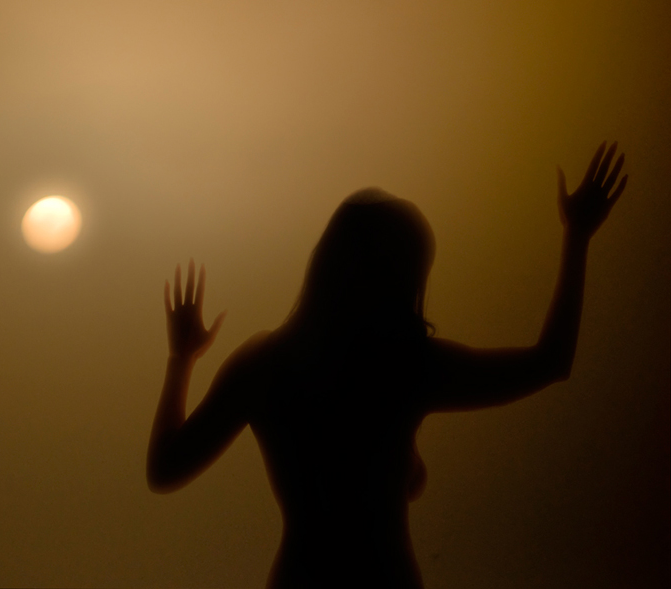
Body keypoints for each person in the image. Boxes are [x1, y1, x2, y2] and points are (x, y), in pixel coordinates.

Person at [147, 143, 627, 588]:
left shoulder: (264, 363)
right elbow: (550, 362)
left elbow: (165, 470)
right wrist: (577, 237)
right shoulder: (408, 367)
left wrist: (181, 359)